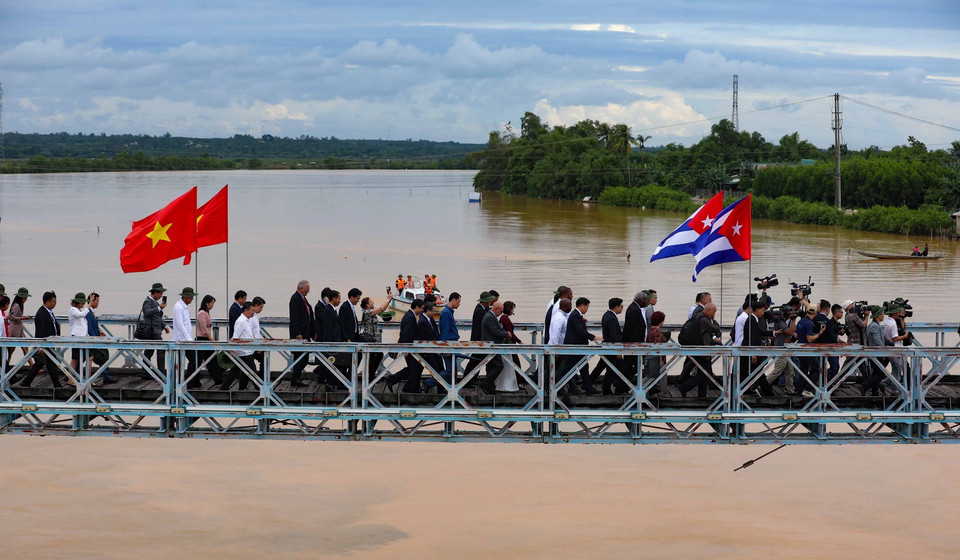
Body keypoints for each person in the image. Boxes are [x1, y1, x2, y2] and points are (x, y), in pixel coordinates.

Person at [19, 291, 62, 388]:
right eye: (53, 301)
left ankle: (27, 381)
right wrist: (40, 347)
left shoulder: (48, 312)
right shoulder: (41, 313)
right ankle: (56, 384)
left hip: (49, 343)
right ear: (47, 301)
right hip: (44, 343)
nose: (55, 304)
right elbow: (40, 331)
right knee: (46, 363)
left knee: (48, 363)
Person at [678, 303, 722, 398]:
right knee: (707, 374)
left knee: (703, 373)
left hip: (701, 349)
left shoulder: (699, 317)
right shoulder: (704, 320)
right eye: (713, 312)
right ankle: (684, 387)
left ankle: (701, 395)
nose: (714, 314)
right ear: (708, 310)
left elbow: (704, 335)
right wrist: (714, 319)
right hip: (703, 351)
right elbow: (717, 329)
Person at [563, 297, 603, 395]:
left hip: (577, 347)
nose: (587, 309)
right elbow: (580, 331)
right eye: (587, 306)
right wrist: (594, 337)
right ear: (582, 306)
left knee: (583, 367)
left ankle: (588, 389)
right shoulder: (575, 316)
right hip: (575, 347)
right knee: (569, 368)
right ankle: (556, 385)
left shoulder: (577, 315)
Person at [590, 298, 627, 395]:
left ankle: (590, 383)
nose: (622, 308)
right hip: (611, 348)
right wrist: (618, 351)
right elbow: (613, 335)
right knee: (619, 368)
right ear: (616, 307)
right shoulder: (611, 318)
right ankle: (613, 388)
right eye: (621, 306)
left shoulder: (607, 315)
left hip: (607, 346)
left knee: (604, 367)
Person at [386, 298, 425, 393]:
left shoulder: (409, 315)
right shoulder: (410, 317)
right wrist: (406, 349)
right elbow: (406, 334)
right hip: (409, 348)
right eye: (422, 308)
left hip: (409, 347)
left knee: (415, 367)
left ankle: (408, 387)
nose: (422, 311)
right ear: (417, 307)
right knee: (415, 368)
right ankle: (394, 380)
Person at [219, 302, 258, 391]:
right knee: (252, 371)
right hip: (243, 352)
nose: (253, 312)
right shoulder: (241, 321)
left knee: (235, 370)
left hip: (246, 351)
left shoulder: (247, 320)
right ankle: (260, 389)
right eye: (252, 310)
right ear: (246, 310)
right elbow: (235, 336)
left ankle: (235, 387)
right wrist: (233, 350)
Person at [741, 300, 775, 397]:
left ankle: (740, 391)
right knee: (758, 373)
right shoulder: (751, 320)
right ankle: (769, 395)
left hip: (749, 350)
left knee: (748, 373)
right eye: (762, 310)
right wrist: (752, 352)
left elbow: (758, 332)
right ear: (757, 310)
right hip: (750, 351)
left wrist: (772, 333)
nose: (763, 313)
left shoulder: (753, 319)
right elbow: (750, 337)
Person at [764, 303, 798, 395]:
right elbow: (790, 332)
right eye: (789, 312)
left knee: (790, 371)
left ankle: (790, 390)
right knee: (777, 371)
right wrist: (794, 320)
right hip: (780, 349)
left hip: (785, 349)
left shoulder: (785, 321)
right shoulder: (780, 322)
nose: (791, 313)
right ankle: (763, 385)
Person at [136, 282, 170, 374]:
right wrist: (159, 308)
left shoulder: (154, 302)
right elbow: (147, 312)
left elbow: (157, 317)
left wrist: (165, 326)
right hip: (151, 331)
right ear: (154, 292)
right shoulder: (148, 301)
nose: (161, 295)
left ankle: (145, 372)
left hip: (154, 331)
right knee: (160, 350)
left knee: (149, 352)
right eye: (160, 293)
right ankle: (160, 373)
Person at [480, 300, 513, 393]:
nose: (501, 313)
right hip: (491, 346)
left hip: (491, 345)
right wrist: (506, 334)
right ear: (496, 309)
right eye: (501, 311)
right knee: (498, 366)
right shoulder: (490, 317)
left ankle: (489, 386)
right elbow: (495, 331)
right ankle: (486, 384)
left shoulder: (490, 315)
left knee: (491, 366)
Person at [358, 292, 393, 379]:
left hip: (374, 340)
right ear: (367, 305)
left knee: (376, 356)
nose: (373, 302)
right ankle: (369, 377)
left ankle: (370, 376)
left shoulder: (371, 312)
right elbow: (381, 308)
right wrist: (388, 299)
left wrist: (388, 302)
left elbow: (382, 309)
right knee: (374, 357)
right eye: (371, 302)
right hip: (370, 340)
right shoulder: (367, 312)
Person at [287, 280, 314, 387]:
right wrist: (297, 333)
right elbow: (294, 317)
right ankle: (295, 379)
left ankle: (296, 377)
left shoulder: (303, 299)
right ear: (301, 288)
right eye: (307, 289)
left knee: (304, 357)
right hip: (299, 334)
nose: (309, 291)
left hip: (305, 333)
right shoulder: (295, 299)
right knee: (300, 357)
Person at [795, 306, 825, 397]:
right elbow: (810, 339)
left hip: (800, 350)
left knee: (803, 371)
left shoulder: (801, 321)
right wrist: (820, 333)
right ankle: (807, 389)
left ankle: (799, 391)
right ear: (815, 313)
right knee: (819, 368)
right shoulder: (809, 323)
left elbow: (795, 335)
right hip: (807, 350)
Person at [85, 291, 114, 384]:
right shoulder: (88, 313)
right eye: (97, 301)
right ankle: (106, 376)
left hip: (95, 337)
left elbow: (94, 326)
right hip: (92, 340)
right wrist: (95, 339)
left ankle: (106, 375)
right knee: (99, 356)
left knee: (101, 356)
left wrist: (100, 332)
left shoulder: (92, 312)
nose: (98, 303)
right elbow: (89, 328)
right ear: (91, 301)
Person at [861, 306, 891, 396]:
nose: (883, 315)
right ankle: (865, 386)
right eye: (882, 314)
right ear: (878, 315)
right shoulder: (874, 326)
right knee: (881, 374)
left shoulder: (874, 325)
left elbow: (883, 338)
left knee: (876, 373)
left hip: (877, 353)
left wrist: (891, 343)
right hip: (876, 354)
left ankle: (875, 392)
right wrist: (885, 350)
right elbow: (877, 340)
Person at [195, 294, 224, 386]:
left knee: (212, 360)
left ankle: (218, 378)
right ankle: (194, 381)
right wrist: (212, 339)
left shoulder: (206, 312)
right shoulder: (201, 313)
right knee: (198, 361)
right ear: (207, 303)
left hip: (206, 338)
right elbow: (204, 329)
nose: (213, 305)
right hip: (201, 339)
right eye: (212, 303)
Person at [172, 287, 198, 386]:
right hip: (181, 340)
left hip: (186, 340)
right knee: (181, 362)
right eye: (191, 297)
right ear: (186, 297)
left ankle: (186, 382)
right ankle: (179, 383)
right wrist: (188, 338)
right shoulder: (178, 307)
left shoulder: (184, 307)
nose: (192, 299)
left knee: (192, 360)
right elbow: (180, 324)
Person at [496, 301, 524, 391]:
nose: (513, 310)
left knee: (508, 365)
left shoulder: (503, 318)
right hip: (508, 345)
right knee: (515, 364)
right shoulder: (505, 319)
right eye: (513, 308)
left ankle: (507, 383)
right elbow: (510, 333)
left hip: (506, 345)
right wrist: (519, 341)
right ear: (510, 309)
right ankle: (511, 384)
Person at [643, 310, 668, 396]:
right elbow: (658, 346)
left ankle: (636, 389)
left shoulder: (650, 330)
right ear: (661, 321)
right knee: (661, 374)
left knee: (651, 375)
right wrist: (660, 359)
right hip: (657, 358)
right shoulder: (657, 331)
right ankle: (664, 393)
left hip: (651, 356)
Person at [66, 292, 89, 384]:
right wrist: (89, 305)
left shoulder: (77, 310)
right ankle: (70, 378)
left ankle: (73, 376)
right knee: (75, 359)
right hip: (75, 337)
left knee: (80, 358)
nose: (83, 304)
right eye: (83, 302)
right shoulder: (73, 310)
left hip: (81, 338)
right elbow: (81, 315)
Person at [7, 288, 33, 369]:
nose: (26, 299)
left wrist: (22, 318)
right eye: (25, 297)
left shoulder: (19, 304)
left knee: (25, 348)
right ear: (22, 297)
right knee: (11, 350)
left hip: (19, 329)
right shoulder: (16, 305)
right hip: (14, 330)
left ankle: (32, 366)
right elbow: (12, 317)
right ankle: (5, 366)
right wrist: (23, 318)